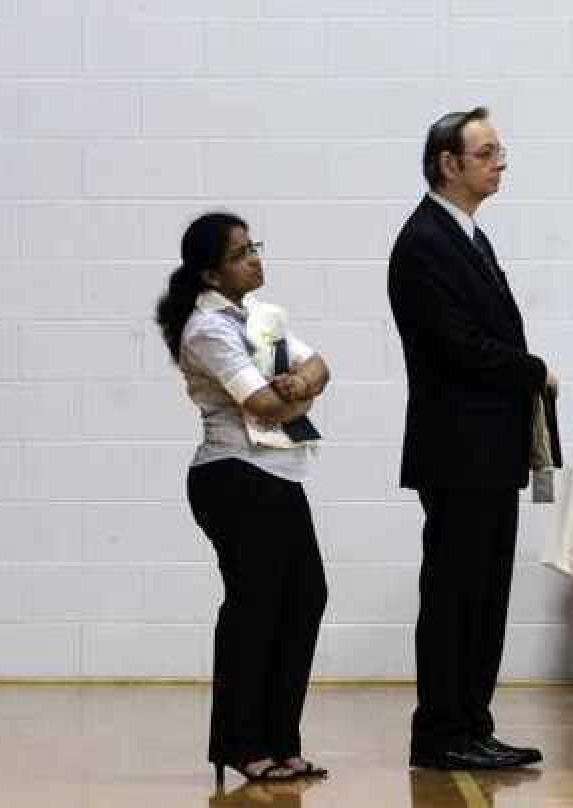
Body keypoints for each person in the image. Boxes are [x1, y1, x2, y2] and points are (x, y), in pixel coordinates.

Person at [388, 108, 557, 770]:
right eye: (486, 152)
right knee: (457, 594)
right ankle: (441, 732)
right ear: (447, 164)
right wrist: (531, 369)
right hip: (458, 451)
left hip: (488, 450)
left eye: (500, 151)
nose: (499, 162)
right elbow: (457, 347)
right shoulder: (425, 241)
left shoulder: (467, 237)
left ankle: (471, 724)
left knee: (485, 594)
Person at [156, 212, 331, 786]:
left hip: (279, 475)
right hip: (232, 476)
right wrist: (295, 395)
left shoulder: (261, 317)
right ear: (210, 273)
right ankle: (241, 744)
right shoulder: (207, 330)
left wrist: (299, 386)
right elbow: (262, 407)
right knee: (254, 610)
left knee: (304, 598)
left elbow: (319, 366)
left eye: (253, 246)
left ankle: (283, 742)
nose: (254, 258)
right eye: (239, 254)